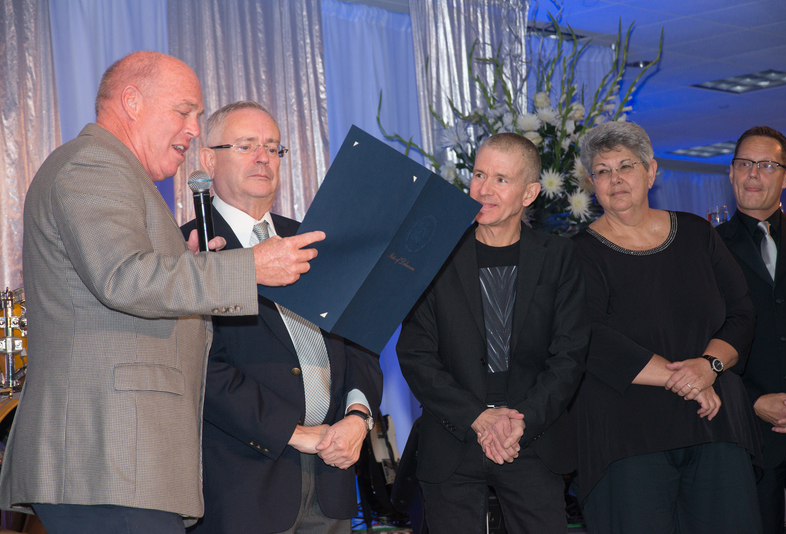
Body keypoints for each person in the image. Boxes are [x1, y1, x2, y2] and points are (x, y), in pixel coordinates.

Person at [0, 52, 324, 534]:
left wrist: (189, 267)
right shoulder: (93, 164)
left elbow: (122, 286)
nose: (194, 129)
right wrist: (249, 267)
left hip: (125, 464)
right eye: (184, 111)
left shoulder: (118, 174)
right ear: (132, 101)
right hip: (107, 458)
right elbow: (123, 278)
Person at [179, 101, 382, 534]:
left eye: (273, 148)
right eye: (247, 145)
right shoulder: (190, 251)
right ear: (208, 160)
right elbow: (199, 367)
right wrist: (291, 431)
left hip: (332, 474)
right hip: (242, 482)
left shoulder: (311, 238)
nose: (263, 158)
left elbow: (360, 340)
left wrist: (357, 417)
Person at [571, 121, 762, 533]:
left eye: (627, 165)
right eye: (602, 170)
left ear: (651, 171)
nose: (615, 178)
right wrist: (689, 379)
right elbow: (589, 336)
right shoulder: (576, 253)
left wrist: (707, 367)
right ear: (592, 183)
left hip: (716, 426)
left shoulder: (697, 233)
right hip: (626, 437)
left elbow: (742, 312)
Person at [397, 133, 589, 533]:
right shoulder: (435, 257)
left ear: (530, 192)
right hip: (453, 439)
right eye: (479, 174)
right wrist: (477, 418)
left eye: (501, 179)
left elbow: (569, 355)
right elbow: (416, 354)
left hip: (532, 440)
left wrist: (521, 421)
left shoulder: (559, 257)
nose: (483, 189)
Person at [716, 126, 786, 534]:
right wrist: (751, 401)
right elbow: (697, 343)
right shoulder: (705, 250)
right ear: (730, 173)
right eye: (744, 164)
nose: (753, 175)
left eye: (767, 165)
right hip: (743, 434)